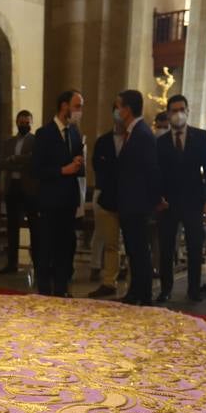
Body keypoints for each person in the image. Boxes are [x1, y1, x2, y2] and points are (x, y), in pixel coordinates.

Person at [156, 94, 206, 302]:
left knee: (194, 245)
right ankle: (165, 289)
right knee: (166, 247)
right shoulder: (161, 142)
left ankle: (194, 288)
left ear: (188, 111)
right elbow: (157, 174)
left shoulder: (199, 137)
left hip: (193, 200)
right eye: (174, 110)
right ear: (168, 113)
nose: (178, 114)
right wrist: (158, 197)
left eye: (181, 109)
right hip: (168, 202)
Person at [31, 90, 86, 296]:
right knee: (47, 246)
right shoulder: (45, 134)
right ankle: (45, 289)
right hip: (50, 200)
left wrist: (78, 163)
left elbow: (77, 163)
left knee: (66, 246)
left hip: (68, 200)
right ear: (64, 106)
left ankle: (62, 288)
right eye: (77, 106)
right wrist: (62, 170)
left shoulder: (74, 132)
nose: (79, 111)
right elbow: (36, 169)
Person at [112, 89, 162, 305]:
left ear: (128, 109)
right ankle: (135, 292)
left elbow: (151, 170)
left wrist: (152, 201)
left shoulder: (142, 134)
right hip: (129, 202)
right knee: (133, 250)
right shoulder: (133, 132)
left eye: (119, 106)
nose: (117, 111)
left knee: (139, 251)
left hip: (137, 204)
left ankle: (143, 294)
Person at [87, 105, 128, 298]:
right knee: (110, 242)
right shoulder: (103, 141)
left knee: (129, 243)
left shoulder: (135, 139)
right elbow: (98, 167)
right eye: (117, 110)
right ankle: (108, 281)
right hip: (108, 196)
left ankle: (131, 282)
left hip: (129, 197)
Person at [0, 110, 37, 274]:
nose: (24, 125)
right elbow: (2, 162)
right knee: (12, 226)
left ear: (31, 123)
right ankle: (11, 263)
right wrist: (18, 162)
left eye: (27, 123)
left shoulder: (36, 141)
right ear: (16, 122)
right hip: (12, 186)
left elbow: (33, 160)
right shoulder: (9, 142)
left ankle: (37, 262)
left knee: (35, 226)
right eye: (21, 122)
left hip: (29, 187)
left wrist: (15, 159)